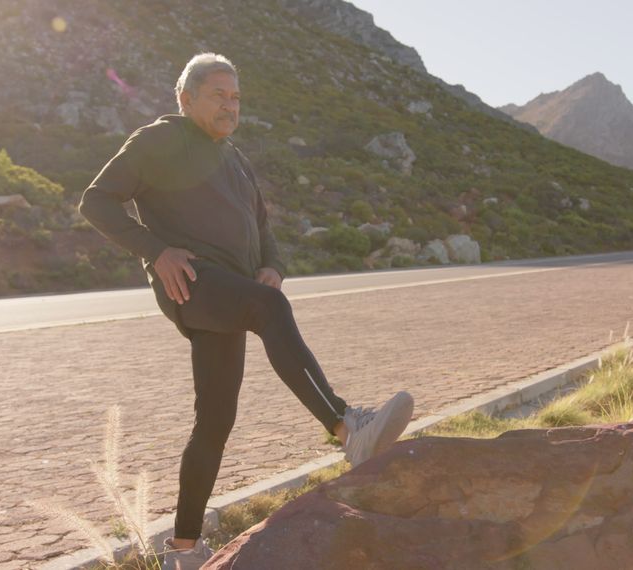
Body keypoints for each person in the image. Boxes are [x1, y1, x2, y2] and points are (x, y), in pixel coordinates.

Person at [79, 53, 414, 570]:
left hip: (231, 288)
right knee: (267, 308)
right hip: (192, 282)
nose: (229, 105)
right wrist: (157, 251)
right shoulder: (159, 140)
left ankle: (184, 551)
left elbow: (264, 231)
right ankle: (347, 427)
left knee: (215, 419)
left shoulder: (235, 159)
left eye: (235, 97)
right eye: (218, 94)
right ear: (186, 98)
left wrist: (272, 267)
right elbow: (97, 201)